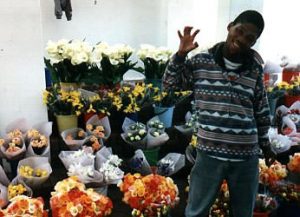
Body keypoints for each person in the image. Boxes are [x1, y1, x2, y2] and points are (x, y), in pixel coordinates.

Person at [162, 10, 276, 217]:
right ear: (230, 26)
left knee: (243, 213)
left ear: (254, 42)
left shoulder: (255, 70)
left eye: (249, 38)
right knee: (196, 212)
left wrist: (266, 146)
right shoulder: (201, 62)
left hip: (246, 158)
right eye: (239, 31)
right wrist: (180, 55)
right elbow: (169, 86)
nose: (241, 40)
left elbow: (261, 111)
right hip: (208, 154)